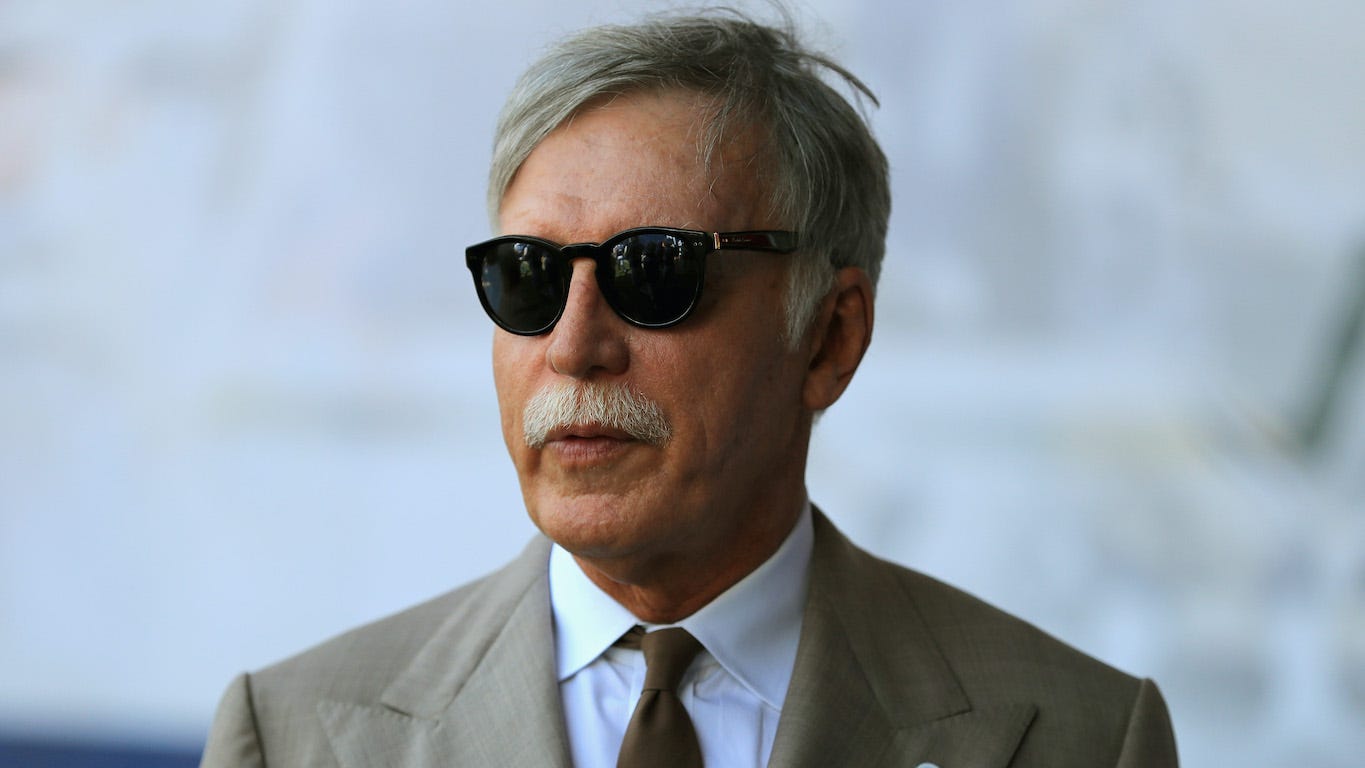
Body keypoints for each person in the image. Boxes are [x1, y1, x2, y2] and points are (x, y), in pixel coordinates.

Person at [201, 9, 1178, 767]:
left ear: (830, 336)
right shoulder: (290, 736)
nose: (573, 347)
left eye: (653, 272)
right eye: (528, 277)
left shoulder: (1082, 737)